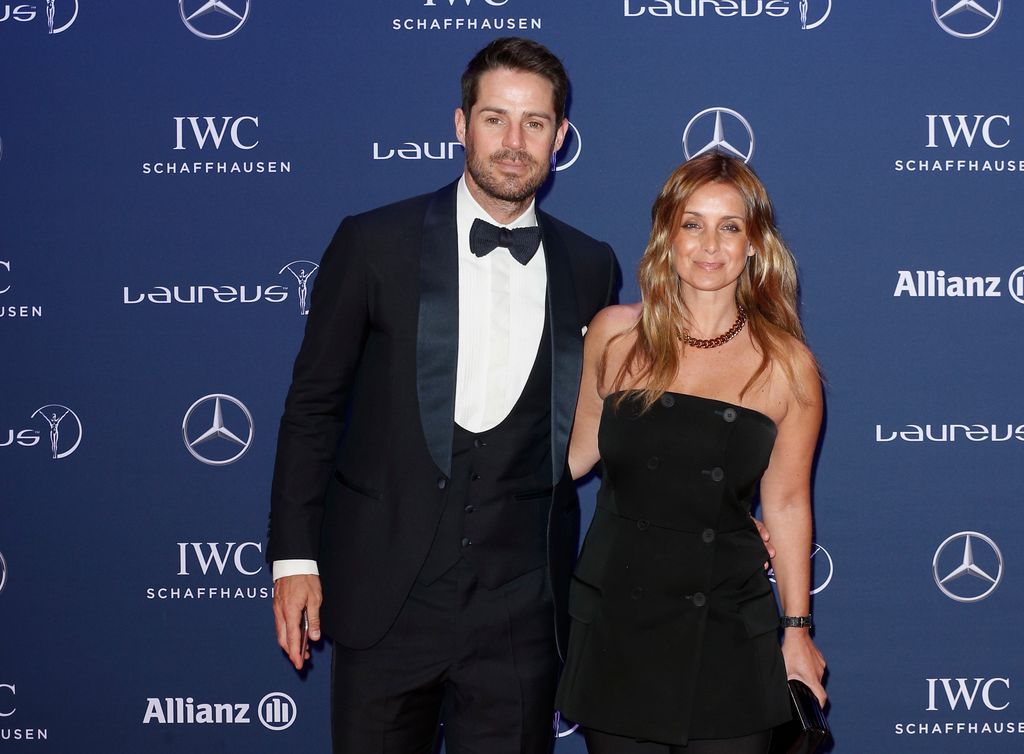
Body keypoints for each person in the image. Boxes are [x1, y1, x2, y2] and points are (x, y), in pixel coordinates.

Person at [267, 37, 620, 753]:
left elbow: (605, 425)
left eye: (535, 123)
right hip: (386, 597)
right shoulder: (374, 243)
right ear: (460, 125)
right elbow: (313, 408)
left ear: (560, 136)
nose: (514, 142)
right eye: (495, 119)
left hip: (519, 611)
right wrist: (295, 559)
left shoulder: (591, 266)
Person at [554, 153, 827, 753]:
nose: (710, 244)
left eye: (730, 226)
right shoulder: (615, 333)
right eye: (692, 223)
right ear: (666, 236)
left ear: (754, 243)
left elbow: (785, 504)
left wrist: (797, 631)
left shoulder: (787, 366)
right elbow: (571, 457)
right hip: (619, 624)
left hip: (730, 625)